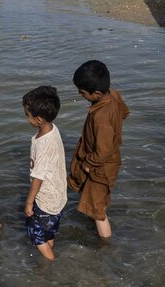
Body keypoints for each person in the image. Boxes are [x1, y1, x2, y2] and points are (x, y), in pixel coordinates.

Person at [68, 60, 129, 240]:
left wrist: (87, 165)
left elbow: (102, 151)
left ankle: (105, 245)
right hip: (107, 162)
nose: (80, 94)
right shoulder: (114, 96)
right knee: (95, 199)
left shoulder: (101, 118)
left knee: (97, 211)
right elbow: (124, 113)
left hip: (100, 167)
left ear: (96, 93)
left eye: (82, 92)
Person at [22, 86, 68, 261]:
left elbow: (38, 178)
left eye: (27, 114)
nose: (26, 117)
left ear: (39, 119)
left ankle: (52, 264)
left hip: (46, 200)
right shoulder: (52, 129)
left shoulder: (43, 146)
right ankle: (49, 256)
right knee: (48, 232)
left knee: (36, 235)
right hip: (58, 196)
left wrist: (29, 202)